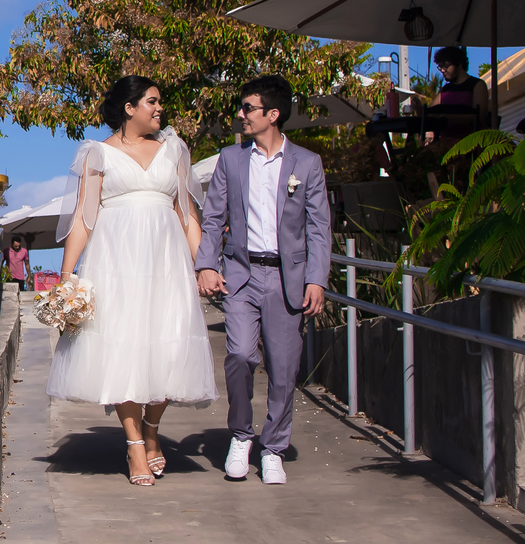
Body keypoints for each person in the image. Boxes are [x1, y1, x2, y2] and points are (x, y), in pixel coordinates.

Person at [47, 75, 218, 487]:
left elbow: (186, 215)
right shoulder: (97, 153)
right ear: (130, 108)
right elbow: (84, 218)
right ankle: (135, 445)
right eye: (152, 102)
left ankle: (152, 428)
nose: (160, 109)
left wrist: (206, 265)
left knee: (170, 346)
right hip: (116, 263)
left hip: (167, 263)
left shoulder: (174, 149)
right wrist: (67, 276)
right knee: (122, 349)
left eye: (160, 102)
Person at [193, 75, 329, 485]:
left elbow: (319, 227)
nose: (241, 115)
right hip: (242, 274)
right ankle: (241, 435)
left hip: (288, 279)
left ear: (272, 114)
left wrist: (317, 279)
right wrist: (206, 264)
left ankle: (273, 448)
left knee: (284, 368)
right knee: (239, 355)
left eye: (248, 108)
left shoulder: (307, 163)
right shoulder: (230, 160)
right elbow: (213, 217)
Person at [426, 46, 490, 142]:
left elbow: (479, 116)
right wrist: (419, 109)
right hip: (445, 141)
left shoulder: (477, 85)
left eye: (446, 66)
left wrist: (448, 117)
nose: (442, 70)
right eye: (440, 67)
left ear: (459, 64)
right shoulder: (445, 90)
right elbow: (429, 114)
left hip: (471, 141)